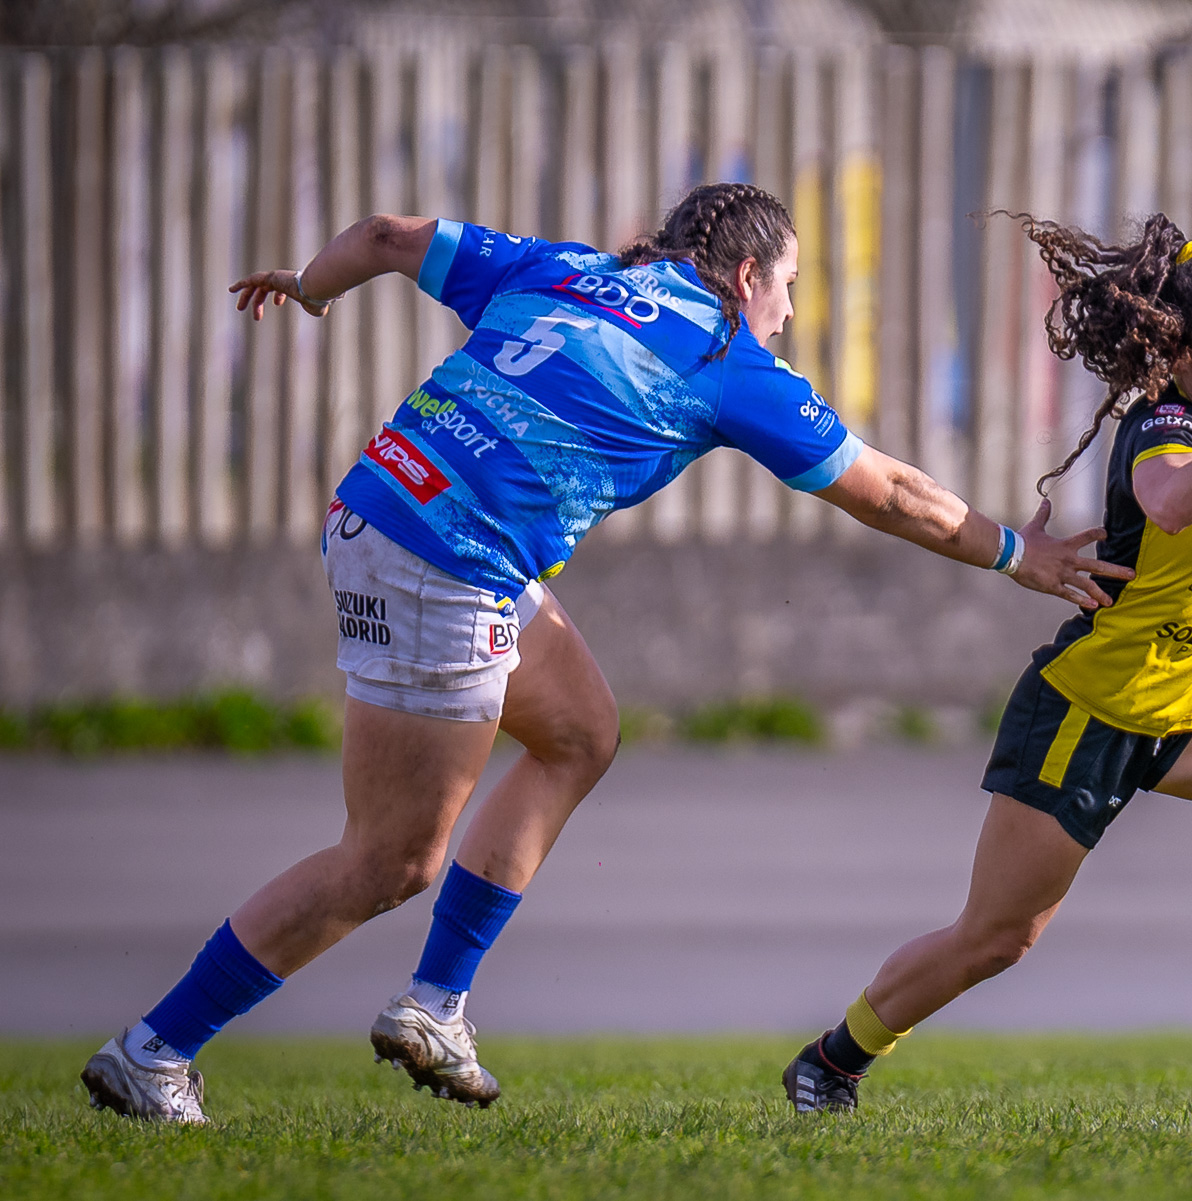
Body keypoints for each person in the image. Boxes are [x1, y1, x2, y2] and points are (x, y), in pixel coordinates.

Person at [79, 183, 1128, 1124]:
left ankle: (437, 1005)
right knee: (391, 858)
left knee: (580, 731)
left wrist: (311, 285)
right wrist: (1014, 554)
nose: (793, 313)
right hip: (442, 560)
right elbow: (891, 491)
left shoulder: (570, 270)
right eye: (793, 286)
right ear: (750, 274)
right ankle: (154, 1051)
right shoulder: (726, 359)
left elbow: (392, 235)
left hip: (393, 507)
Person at [782, 215, 1192, 1114]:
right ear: (1176, 353)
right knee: (996, 938)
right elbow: (1171, 504)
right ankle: (832, 1059)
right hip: (1087, 716)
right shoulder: (1166, 426)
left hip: (1189, 707)